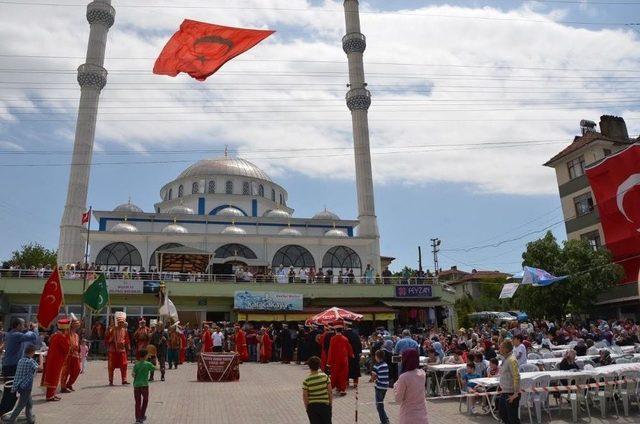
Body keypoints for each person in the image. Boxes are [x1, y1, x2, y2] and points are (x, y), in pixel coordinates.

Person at [2, 344, 39, 424]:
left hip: (21, 386)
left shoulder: (21, 360)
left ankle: (30, 421)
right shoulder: (29, 362)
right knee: (20, 406)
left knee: (29, 405)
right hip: (26, 387)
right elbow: (39, 368)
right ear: (32, 352)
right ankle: (11, 421)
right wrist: (42, 359)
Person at [393, 349, 428, 424]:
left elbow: (398, 399)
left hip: (408, 416)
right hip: (422, 415)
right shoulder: (422, 373)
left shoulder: (404, 377)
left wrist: (395, 386)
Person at [41, 318, 71, 401]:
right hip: (56, 360)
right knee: (54, 377)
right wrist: (68, 339)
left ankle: (52, 394)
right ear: (65, 329)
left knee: (54, 376)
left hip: (52, 358)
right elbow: (67, 348)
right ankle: (50, 396)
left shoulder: (55, 335)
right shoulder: (61, 336)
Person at [302, 356, 332, 424]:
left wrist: (307, 408)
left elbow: (305, 396)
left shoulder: (306, 380)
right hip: (324, 405)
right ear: (319, 366)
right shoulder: (325, 377)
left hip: (312, 407)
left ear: (309, 367)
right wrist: (330, 404)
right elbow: (330, 392)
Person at [498, 340, 521, 424]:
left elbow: (516, 376)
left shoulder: (512, 360)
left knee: (513, 419)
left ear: (506, 349)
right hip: (504, 392)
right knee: (503, 415)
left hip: (511, 393)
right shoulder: (506, 358)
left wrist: (515, 394)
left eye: (501, 347)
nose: (499, 349)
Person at [327, 324, 353, 396]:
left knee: (334, 374)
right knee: (343, 374)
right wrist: (351, 355)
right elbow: (349, 348)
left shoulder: (332, 339)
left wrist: (329, 361)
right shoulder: (345, 338)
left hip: (335, 359)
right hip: (344, 359)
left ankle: (332, 388)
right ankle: (342, 389)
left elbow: (330, 350)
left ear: (335, 330)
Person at [132, 349, 155, 424]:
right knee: (145, 400)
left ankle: (138, 418)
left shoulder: (136, 364)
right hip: (144, 385)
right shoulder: (148, 364)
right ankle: (142, 415)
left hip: (136, 385)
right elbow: (155, 368)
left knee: (137, 402)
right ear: (145, 356)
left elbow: (133, 374)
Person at [106, 317, 131, 385]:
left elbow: (127, 340)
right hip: (113, 351)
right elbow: (107, 337)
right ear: (117, 322)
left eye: (122, 322)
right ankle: (111, 381)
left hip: (122, 350)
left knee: (124, 365)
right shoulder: (112, 329)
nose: (121, 323)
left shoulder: (125, 330)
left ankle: (124, 380)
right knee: (111, 366)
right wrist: (109, 330)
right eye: (119, 322)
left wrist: (128, 347)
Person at [60, 315, 82, 392]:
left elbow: (78, 346)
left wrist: (79, 354)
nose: (76, 326)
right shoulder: (67, 333)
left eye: (77, 324)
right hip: (68, 355)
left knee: (77, 370)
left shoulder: (76, 335)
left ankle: (69, 384)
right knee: (66, 371)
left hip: (75, 355)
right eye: (74, 324)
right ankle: (63, 387)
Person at [371, 349, 390, 424]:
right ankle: (385, 418)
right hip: (385, 386)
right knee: (381, 404)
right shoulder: (386, 364)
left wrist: (373, 378)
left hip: (379, 387)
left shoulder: (376, 366)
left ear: (376, 357)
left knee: (379, 405)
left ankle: (384, 421)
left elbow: (373, 378)